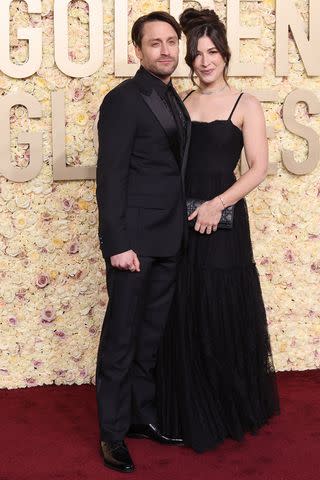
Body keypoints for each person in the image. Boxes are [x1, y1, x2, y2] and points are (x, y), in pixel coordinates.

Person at [156, 8, 280, 453]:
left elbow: (258, 168)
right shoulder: (180, 102)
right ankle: (188, 407)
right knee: (183, 307)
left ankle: (227, 406)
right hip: (182, 223)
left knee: (219, 308)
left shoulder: (245, 104)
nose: (204, 61)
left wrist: (217, 204)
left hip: (223, 222)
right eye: (196, 54)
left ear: (225, 54)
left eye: (212, 52)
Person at [95, 11, 191, 473]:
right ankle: (112, 434)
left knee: (149, 339)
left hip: (169, 239)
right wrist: (116, 243)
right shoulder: (122, 100)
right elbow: (110, 177)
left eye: (171, 41)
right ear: (138, 50)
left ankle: (140, 417)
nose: (166, 50)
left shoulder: (175, 99)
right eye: (155, 43)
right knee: (121, 338)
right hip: (132, 244)